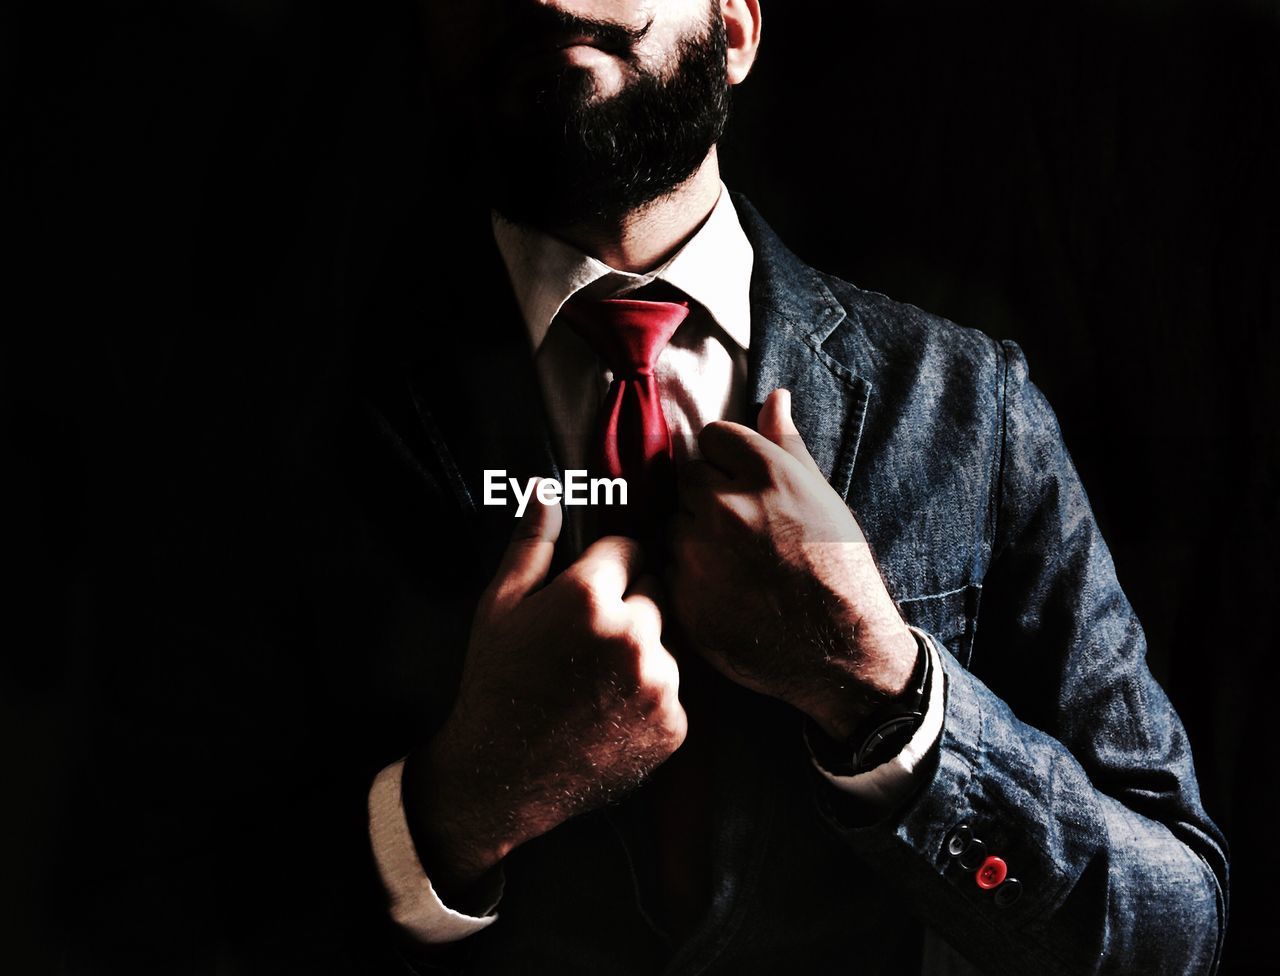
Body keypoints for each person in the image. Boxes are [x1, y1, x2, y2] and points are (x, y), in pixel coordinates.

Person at [351, 1, 1228, 974]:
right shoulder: (285, 421)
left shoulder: (969, 407)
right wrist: (463, 802)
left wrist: (879, 685)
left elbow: (1168, 929)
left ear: (733, 31)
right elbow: (171, 891)